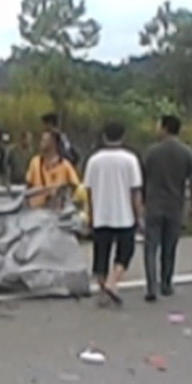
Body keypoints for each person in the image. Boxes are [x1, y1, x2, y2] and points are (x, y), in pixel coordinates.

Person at [83, 122, 144, 306]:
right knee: (125, 252)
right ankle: (112, 282)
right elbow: (136, 190)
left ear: (104, 136)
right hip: (124, 215)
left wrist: (91, 215)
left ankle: (104, 291)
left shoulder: (94, 160)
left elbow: (89, 191)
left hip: (101, 214)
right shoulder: (130, 159)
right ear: (123, 137)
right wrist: (138, 215)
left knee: (101, 254)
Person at [141, 115, 192, 301]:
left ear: (165, 128)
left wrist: (141, 202)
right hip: (175, 205)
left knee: (151, 247)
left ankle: (151, 286)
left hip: (154, 204)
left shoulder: (151, 152)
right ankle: (166, 283)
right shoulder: (186, 152)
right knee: (169, 247)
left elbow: (143, 179)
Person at [26, 129, 81, 209]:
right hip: (36, 212)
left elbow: (75, 187)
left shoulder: (65, 165)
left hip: (56, 214)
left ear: (53, 142)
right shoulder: (35, 162)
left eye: (44, 140)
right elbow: (28, 186)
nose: (41, 143)